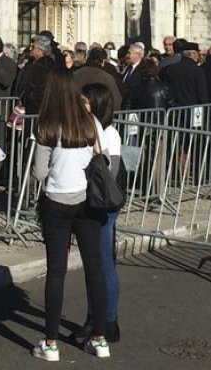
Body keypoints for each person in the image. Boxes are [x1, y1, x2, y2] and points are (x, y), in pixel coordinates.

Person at [31, 66, 110, 361]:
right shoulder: (89, 122)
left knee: (56, 271)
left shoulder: (48, 124)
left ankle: (50, 343)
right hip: (86, 200)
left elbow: (39, 172)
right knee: (94, 269)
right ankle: (100, 338)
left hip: (56, 200)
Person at [72, 82, 122, 345]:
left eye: (86, 102)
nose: (82, 107)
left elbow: (108, 174)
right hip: (92, 202)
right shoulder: (91, 129)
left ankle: (106, 320)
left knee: (103, 264)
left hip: (102, 204)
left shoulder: (109, 134)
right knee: (96, 265)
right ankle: (97, 318)